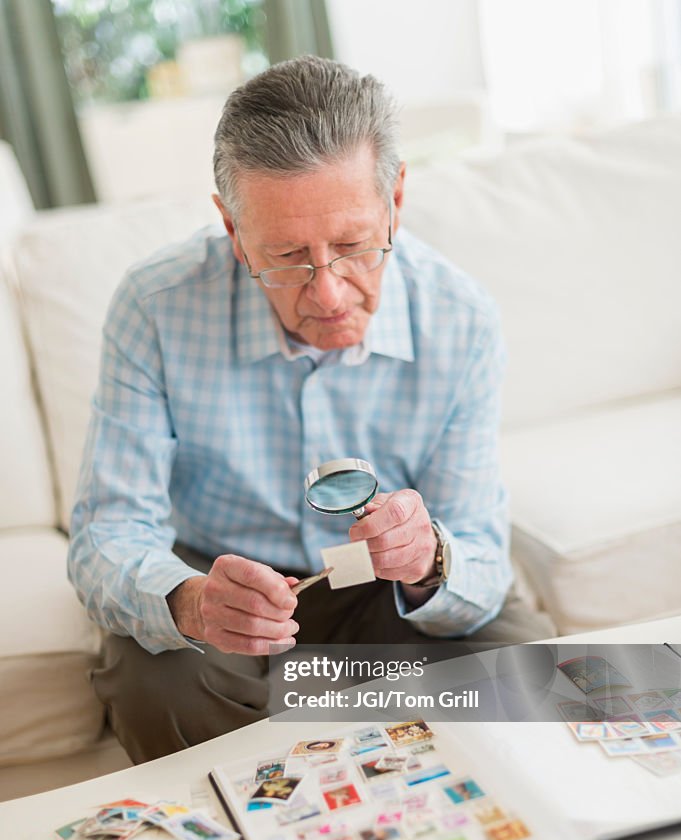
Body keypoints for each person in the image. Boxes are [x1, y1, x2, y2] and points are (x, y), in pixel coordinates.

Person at [67, 56, 554, 765]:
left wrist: (426, 559)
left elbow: (478, 551)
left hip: (379, 586)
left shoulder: (461, 317)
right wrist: (190, 601)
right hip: (215, 580)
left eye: (354, 247)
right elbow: (107, 531)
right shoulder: (154, 305)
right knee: (156, 683)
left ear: (395, 199)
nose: (327, 294)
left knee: (527, 676)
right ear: (232, 230)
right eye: (288, 256)